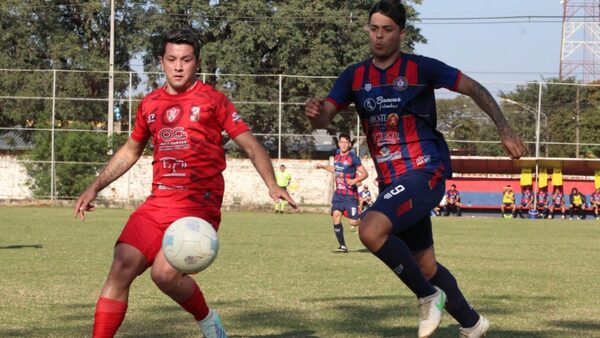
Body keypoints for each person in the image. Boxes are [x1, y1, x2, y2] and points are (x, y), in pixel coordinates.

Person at [303, 1, 527, 336]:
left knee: (370, 229)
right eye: (374, 28)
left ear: (401, 33)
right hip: (392, 180)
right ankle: (473, 323)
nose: (379, 36)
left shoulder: (422, 69)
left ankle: (427, 297)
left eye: (387, 30)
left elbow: (474, 88)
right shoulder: (354, 75)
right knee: (425, 265)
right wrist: (315, 114)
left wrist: (504, 128)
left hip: (426, 171)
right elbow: (325, 118)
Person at [73, 28, 296, 338]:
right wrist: (95, 185)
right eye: (171, 59)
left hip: (197, 204)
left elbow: (251, 146)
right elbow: (131, 150)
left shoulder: (213, 100)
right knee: (121, 266)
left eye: (186, 60)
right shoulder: (150, 104)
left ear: (197, 62)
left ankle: (208, 321)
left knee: (164, 274)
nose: (178, 66)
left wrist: (272, 185)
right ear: (161, 62)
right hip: (158, 202)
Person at [315, 133, 368, 251]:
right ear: (339, 143)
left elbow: (365, 174)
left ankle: (367, 217)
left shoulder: (353, 158)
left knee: (353, 223)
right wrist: (323, 166)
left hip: (350, 196)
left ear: (349, 144)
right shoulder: (337, 156)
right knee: (336, 216)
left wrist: (354, 180)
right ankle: (342, 246)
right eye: (341, 142)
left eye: (346, 142)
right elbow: (335, 170)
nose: (343, 144)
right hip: (338, 194)